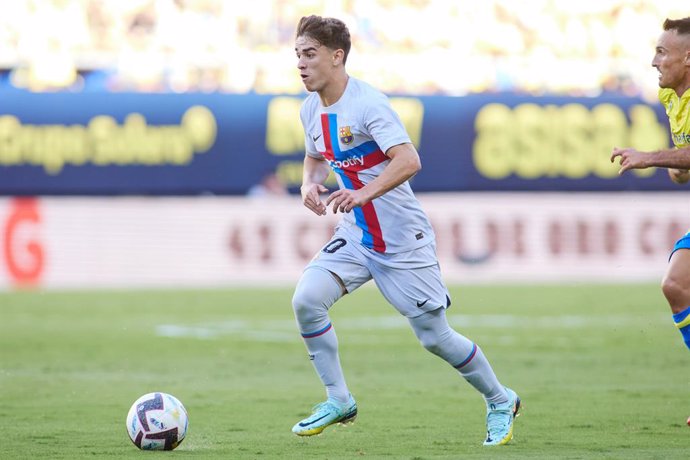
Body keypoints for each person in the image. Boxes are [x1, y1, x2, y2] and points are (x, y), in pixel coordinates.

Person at [290, 15, 519, 446]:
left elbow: (409, 160)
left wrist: (362, 193)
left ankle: (500, 399)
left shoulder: (368, 104)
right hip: (357, 234)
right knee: (306, 300)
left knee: (435, 337)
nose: (301, 65)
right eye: (297, 55)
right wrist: (308, 183)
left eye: (310, 54)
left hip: (402, 239)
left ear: (337, 57)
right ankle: (339, 399)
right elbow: (315, 156)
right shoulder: (309, 109)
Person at [610, 17, 690, 424]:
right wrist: (678, 166)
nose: (654, 61)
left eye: (662, 52)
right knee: (676, 284)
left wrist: (649, 157)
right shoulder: (673, 98)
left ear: (688, 57)